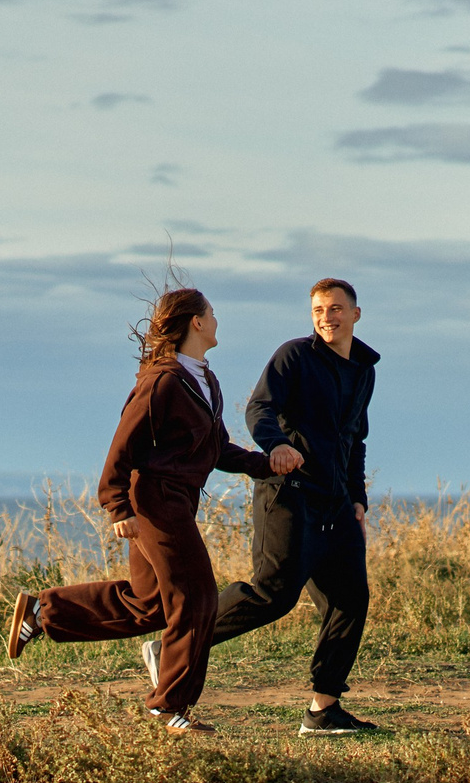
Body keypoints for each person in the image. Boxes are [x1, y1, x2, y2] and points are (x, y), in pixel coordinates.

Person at [6, 287, 290, 735]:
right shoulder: (161, 381)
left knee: (150, 603)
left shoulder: (204, 380)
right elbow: (123, 444)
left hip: (178, 501)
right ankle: (167, 706)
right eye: (212, 313)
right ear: (196, 322)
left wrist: (268, 464)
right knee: (196, 599)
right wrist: (116, 504)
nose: (217, 319)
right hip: (155, 502)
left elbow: (216, 448)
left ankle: (44, 611)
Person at [142, 277, 380, 736]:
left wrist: (357, 500)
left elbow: (356, 439)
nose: (326, 318)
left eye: (334, 309)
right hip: (288, 495)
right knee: (274, 594)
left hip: (337, 504)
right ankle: (171, 647)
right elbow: (259, 409)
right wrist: (276, 447)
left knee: (350, 599)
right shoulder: (295, 356)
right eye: (318, 311)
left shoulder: (364, 370)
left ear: (355, 314)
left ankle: (322, 710)